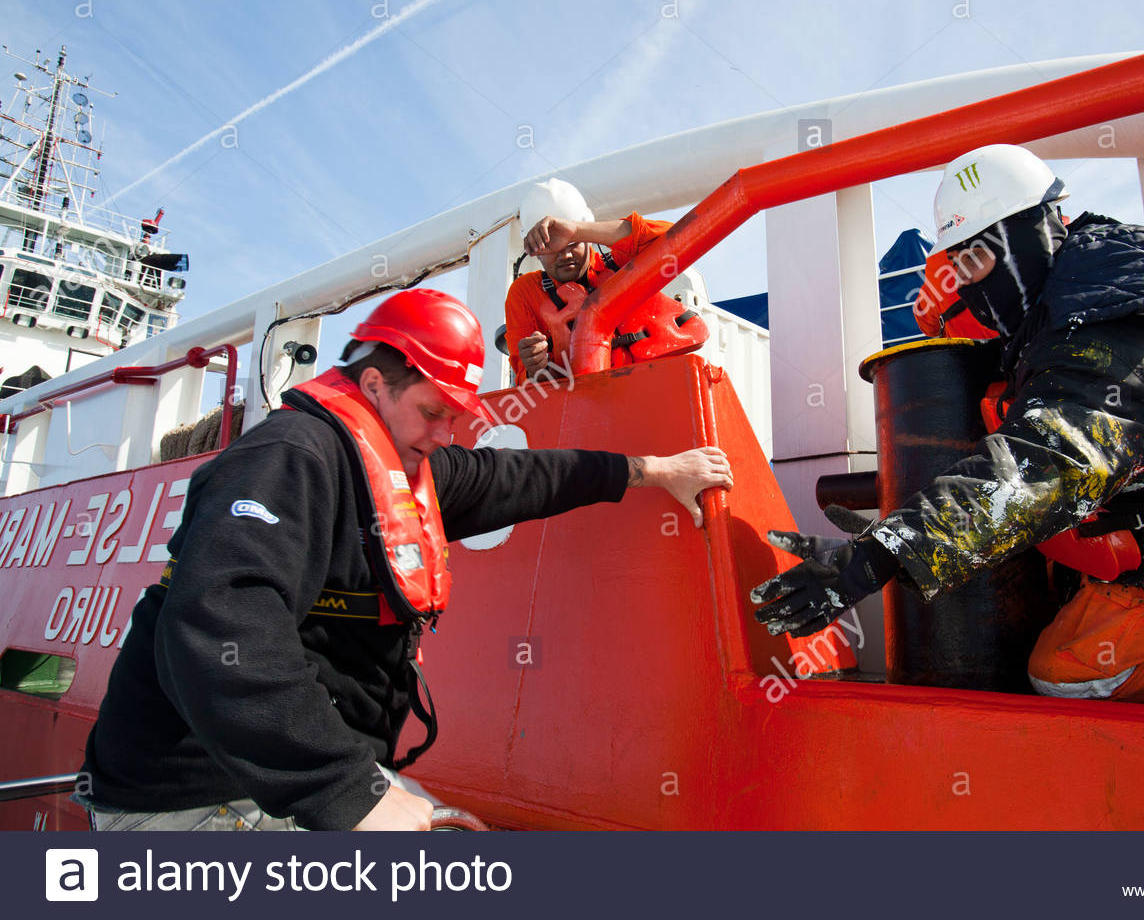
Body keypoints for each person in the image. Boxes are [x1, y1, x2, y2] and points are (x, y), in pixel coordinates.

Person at [78, 288, 733, 830]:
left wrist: (654, 470)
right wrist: (349, 793)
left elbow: (526, 477)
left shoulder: (402, 466)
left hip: (304, 775)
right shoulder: (288, 458)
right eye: (432, 412)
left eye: (455, 415)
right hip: (198, 795)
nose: (447, 433)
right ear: (374, 384)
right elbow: (218, 627)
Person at [752, 143, 1144, 705]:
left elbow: (1045, 464)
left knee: (1067, 674)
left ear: (1032, 237)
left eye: (977, 263)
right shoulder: (1052, 333)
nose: (966, 288)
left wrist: (879, 555)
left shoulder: (1113, 338)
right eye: (957, 267)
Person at [504, 179, 674, 382]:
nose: (565, 255)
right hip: (581, 407)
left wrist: (576, 229)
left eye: (572, 243)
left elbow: (676, 238)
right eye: (550, 247)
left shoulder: (623, 265)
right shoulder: (524, 293)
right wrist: (534, 368)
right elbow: (528, 381)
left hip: (649, 388)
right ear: (534, 251)